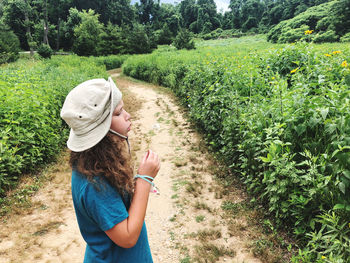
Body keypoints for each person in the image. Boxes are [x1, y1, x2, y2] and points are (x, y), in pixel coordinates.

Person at [60, 77, 160, 262]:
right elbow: (128, 237)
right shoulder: (94, 183)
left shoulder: (100, 163)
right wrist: (145, 180)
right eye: (119, 112)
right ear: (101, 130)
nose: (128, 115)